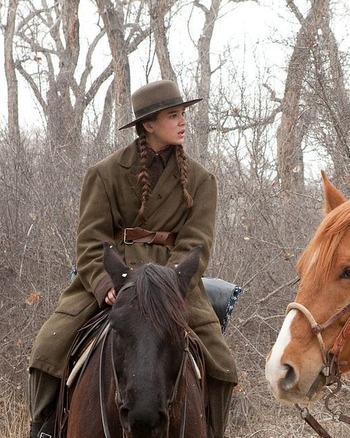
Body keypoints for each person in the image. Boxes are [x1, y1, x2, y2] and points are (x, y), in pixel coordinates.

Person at [28, 80, 237, 438]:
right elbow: (91, 240)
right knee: (48, 347)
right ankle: (43, 430)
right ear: (148, 125)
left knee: (222, 365)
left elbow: (196, 242)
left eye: (183, 114)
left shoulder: (203, 181)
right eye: (173, 115)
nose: (183, 122)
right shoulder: (105, 173)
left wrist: (170, 285)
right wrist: (105, 282)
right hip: (114, 276)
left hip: (175, 284)